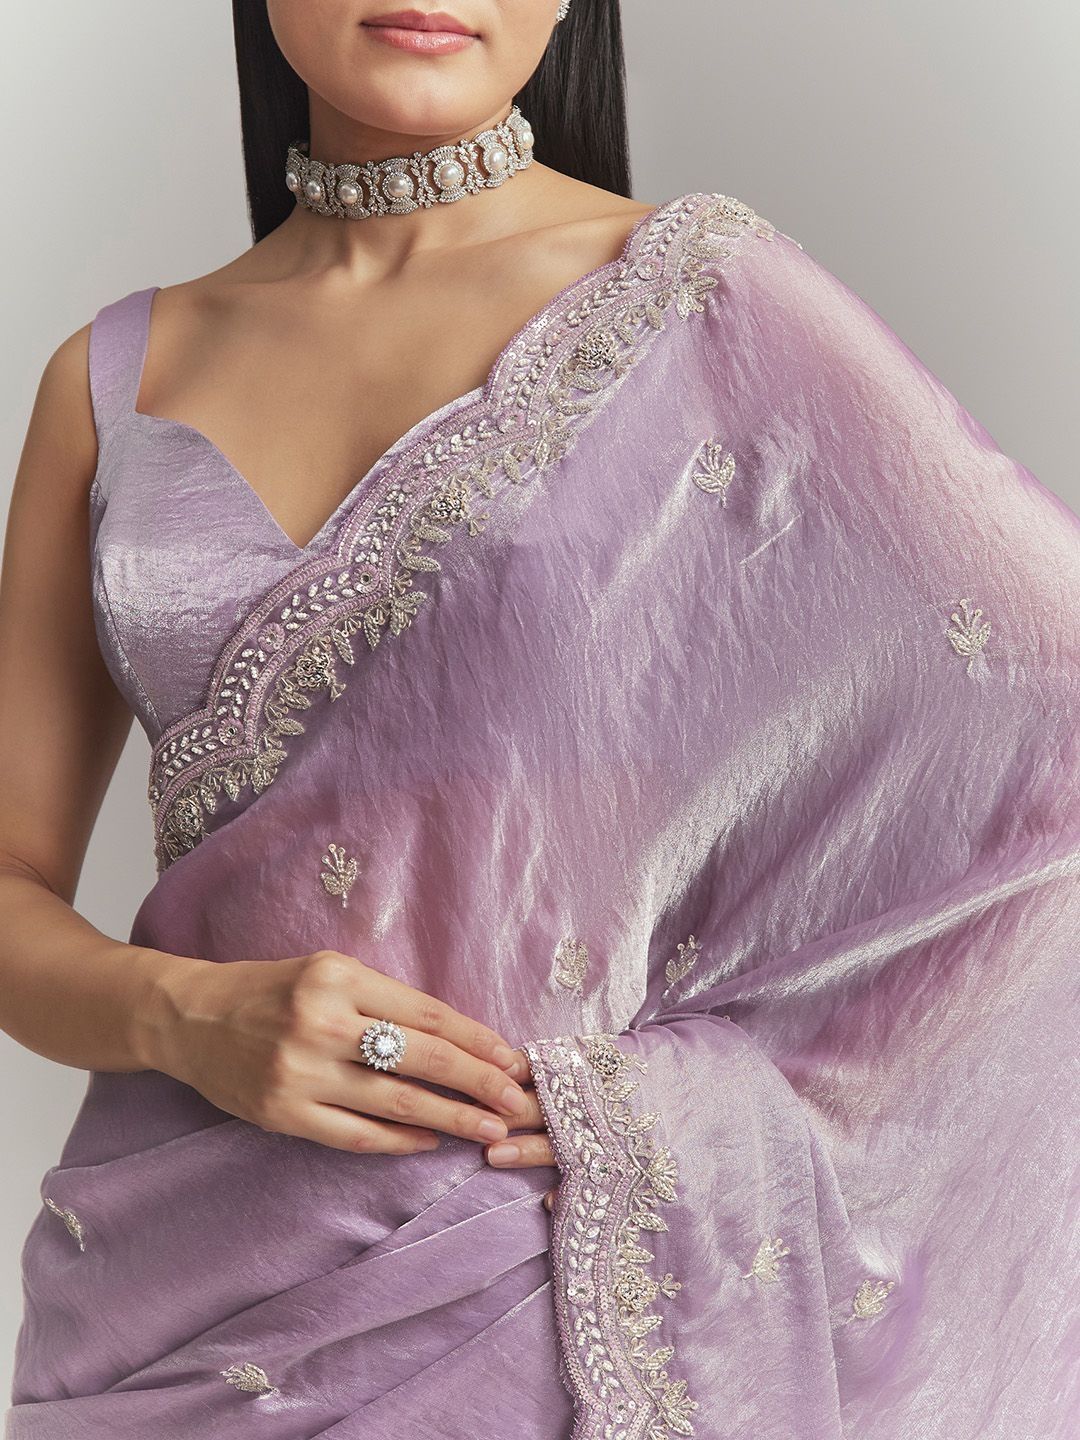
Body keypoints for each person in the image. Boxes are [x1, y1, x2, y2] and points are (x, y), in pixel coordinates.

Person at [1, 2, 1076, 1436]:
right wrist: (183, 1015)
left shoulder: (700, 304)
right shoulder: (113, 381)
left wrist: (677, 1116)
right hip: (158, 1307)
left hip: (544, 1308)